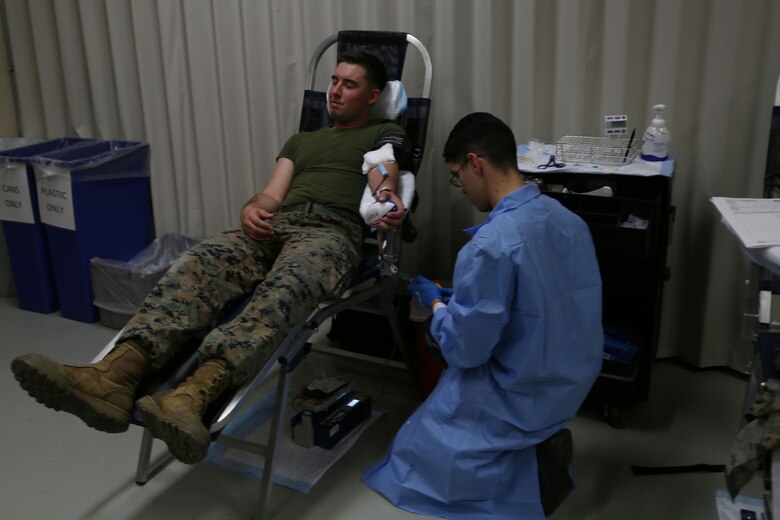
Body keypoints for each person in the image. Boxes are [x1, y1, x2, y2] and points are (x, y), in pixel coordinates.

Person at [11, 50, 411, 465]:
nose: (335, 91)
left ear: (372, 95)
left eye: (349, 84)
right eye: (333, 81)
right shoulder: (303, 140)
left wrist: (386, 197)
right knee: (198, 264)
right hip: (275, 225)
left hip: (330, 234)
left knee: (285, 289)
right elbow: (271, 194)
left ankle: (191, 396)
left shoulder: (381, 133)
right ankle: (114, 374)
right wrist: (251, 208)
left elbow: (383, 173)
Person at [362, 112, 603, 519]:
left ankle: (526, 468)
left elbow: (465, 350)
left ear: (476, 163)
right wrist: (465, 297)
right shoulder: (570, 221)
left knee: (410, 453)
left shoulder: (489, 245)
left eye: (458, 176)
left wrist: (437, 305)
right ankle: (540, 445)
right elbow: (547, 299)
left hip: (519, 392)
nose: (462, 190)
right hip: (569, 383)